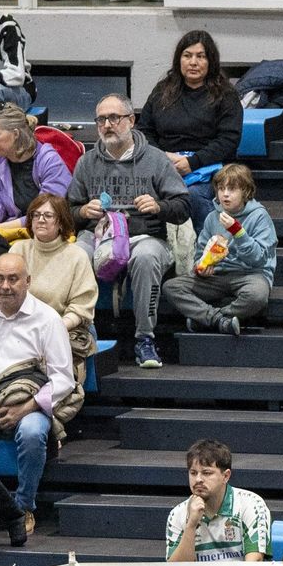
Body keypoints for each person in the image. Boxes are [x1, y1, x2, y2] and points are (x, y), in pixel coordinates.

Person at [67, 93, 190, 369]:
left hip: (144, 235)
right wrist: (83, 211)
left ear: (131, 121)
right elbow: (69, 210)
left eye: (114, 118)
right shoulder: (87, 162)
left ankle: (145, 339)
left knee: (146, 257)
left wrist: (158, 205)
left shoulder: (156, 159)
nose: (108, 125)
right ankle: (79, 332)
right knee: (75, 254)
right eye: (101, 119)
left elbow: (183, 206)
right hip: (98, 235)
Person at [0, 251, 73, 540]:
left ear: (28, 281)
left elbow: (64, 379)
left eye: (13, 279)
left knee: (32, 431)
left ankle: (23, 506)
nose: (5, 286)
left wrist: (25, 407)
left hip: (30, 401)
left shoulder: (48, 319)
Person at [137, 29, 242, 229]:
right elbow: (144, 131)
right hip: (163, 166)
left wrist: (191, 163)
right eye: (187, 56)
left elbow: (228, 140)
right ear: (179, 60)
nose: (193, 62)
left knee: (192, 195)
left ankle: (207, 251)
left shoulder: (226, 95)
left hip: (209, 171)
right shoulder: (163, 90)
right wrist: (162, 157)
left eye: (200, 57)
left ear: (210, 61)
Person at [162, 162, 274, 335]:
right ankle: (219, 321)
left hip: (249, 274)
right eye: (221, 189)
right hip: (216, 276)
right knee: (171, 287)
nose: (225, 195)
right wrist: (201, 268)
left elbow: (258, 259)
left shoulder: (260, 216)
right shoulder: (212, 217)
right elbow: (200, 253)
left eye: (232, 189)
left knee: (257, 295)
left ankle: (208, 319)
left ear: (245, 192)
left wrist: (237, 231)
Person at [12, 194, 96, 390]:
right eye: (36, 215)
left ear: (61, 223)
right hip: (22, 328)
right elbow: (6, 298)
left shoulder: (76, 256)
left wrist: (51, 329)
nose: (40, 219)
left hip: (64, 328)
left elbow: (81, 307)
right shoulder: (18, 250)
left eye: (48, 215)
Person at [165, 438, 270, 561]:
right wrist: (191, 525)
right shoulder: (177, 514)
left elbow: (254, 564)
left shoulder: (251, 504)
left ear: (226, 476)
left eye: (206, 473)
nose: (198, 479)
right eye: (193, 473)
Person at [0, 103, 70, 234]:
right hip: (12, 233)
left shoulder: (50, 162)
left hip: (48, 233)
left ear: (15, 134)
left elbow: (45, 215)